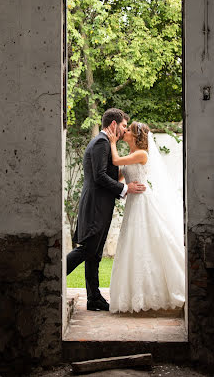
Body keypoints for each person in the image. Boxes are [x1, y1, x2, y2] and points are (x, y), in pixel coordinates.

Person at [67, 109, 146, 311]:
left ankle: (94, 298)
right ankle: (53, 278)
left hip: (100, 205)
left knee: (94, 253)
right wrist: (126, 188)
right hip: (95, 207)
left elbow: (111, 173)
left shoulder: (104, 144)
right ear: (113, 125)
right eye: (122, 126)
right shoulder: (101, 143)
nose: (124, 130)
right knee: (86, 249)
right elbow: (99, 176)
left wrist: (128, 176)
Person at [105, 121, 185, 313]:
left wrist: (112, 143)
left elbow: (117, 161)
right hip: (133, 202)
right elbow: (120, 176)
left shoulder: (141, 154)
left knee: (150, 242)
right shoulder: (132, 157)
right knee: (133, 244)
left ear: (135, 135)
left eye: (128, 131)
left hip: (143, 202)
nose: (124, 132)